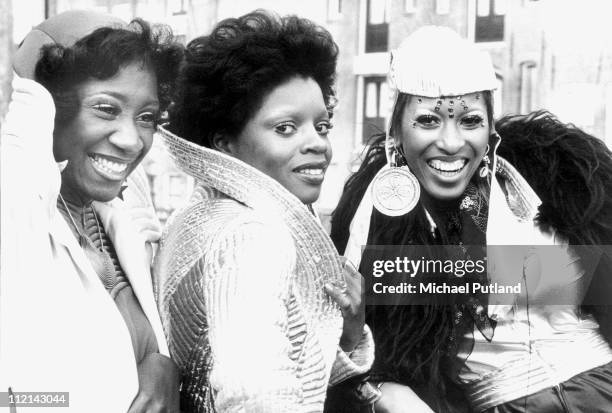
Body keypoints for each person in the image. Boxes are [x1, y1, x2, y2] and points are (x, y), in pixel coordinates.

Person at [331, 26, 612, 412]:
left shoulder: (557, 180)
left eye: (470, 121)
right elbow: (366, 360)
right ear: (396, 129)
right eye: (428, 120)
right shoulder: (373, 225)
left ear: (490, 128)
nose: (450, 143)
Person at [153, 10, 374, 412]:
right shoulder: (251, 237)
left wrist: (348, 333)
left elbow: (291, 374)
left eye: (321, 126)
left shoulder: (197, 218)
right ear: (223, 143)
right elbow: (258, 395)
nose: (318, 144)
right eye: (286, 128)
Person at [0, 10, 184, 412]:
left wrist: (162, 365)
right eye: (105, 108)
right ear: (49, 109)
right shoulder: (13, 221)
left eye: (147, 117)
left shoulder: (120, 212)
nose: (132, 140)